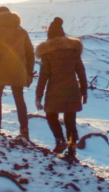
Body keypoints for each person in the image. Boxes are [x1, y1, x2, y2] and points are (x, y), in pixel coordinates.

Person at [34, 17, 87, 157]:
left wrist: (38, 97)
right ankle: (71, 150)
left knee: (51, 116)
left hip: (54, 91)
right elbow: (81, 72)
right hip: (72, 90)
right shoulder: (73, 50)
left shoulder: (47, 52)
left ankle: (60, 140)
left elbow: (43, 76)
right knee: (70, 121)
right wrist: (84, 92)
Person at [0, 6, 35, 138]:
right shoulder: (22, 31)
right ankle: (24, 130)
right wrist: (29, 72)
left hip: (0, 71)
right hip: (18, 71)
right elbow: (30, 54)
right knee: (19, 100)